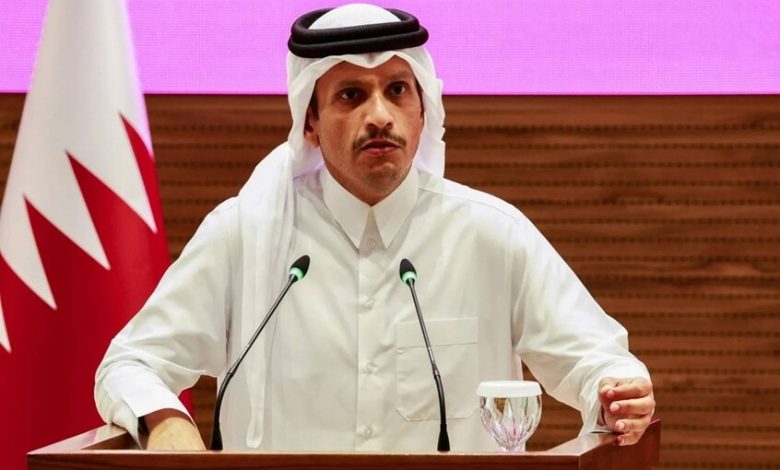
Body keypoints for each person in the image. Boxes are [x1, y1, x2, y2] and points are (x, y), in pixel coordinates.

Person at [95, 4, 655, 452]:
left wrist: (615, 392)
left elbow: (597, 361)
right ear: (310, 123)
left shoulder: (491, 235)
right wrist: (165, 421)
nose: (380, 115)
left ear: (423, 112)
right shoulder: (245, 235)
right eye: (351, 96)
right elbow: (129, 363)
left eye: (397, 90)